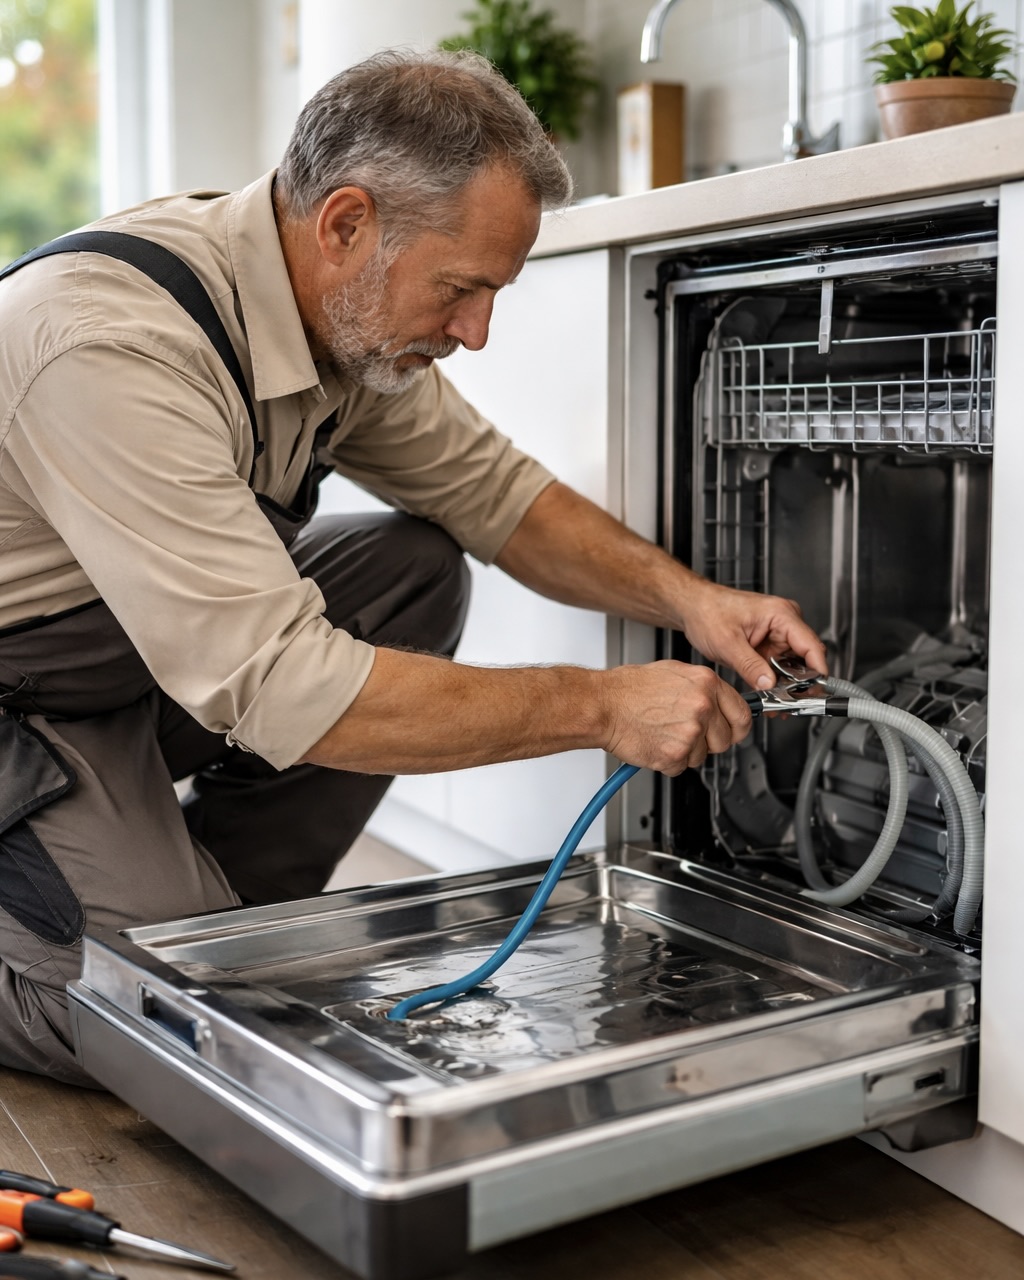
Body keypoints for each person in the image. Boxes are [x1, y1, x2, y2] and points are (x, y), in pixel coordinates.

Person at [0, 48, 826, 1086]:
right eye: (462, 288)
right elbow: (291, 689)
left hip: (133, 660)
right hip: (18, 698)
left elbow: (498, 497)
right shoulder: (108, 347)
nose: (475, 332)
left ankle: (225, 920)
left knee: (412, 567)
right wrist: (604, 703)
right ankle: (127, 928)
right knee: (139, 1019)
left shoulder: (334, 316)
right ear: (346, 224)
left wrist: (696, 602)